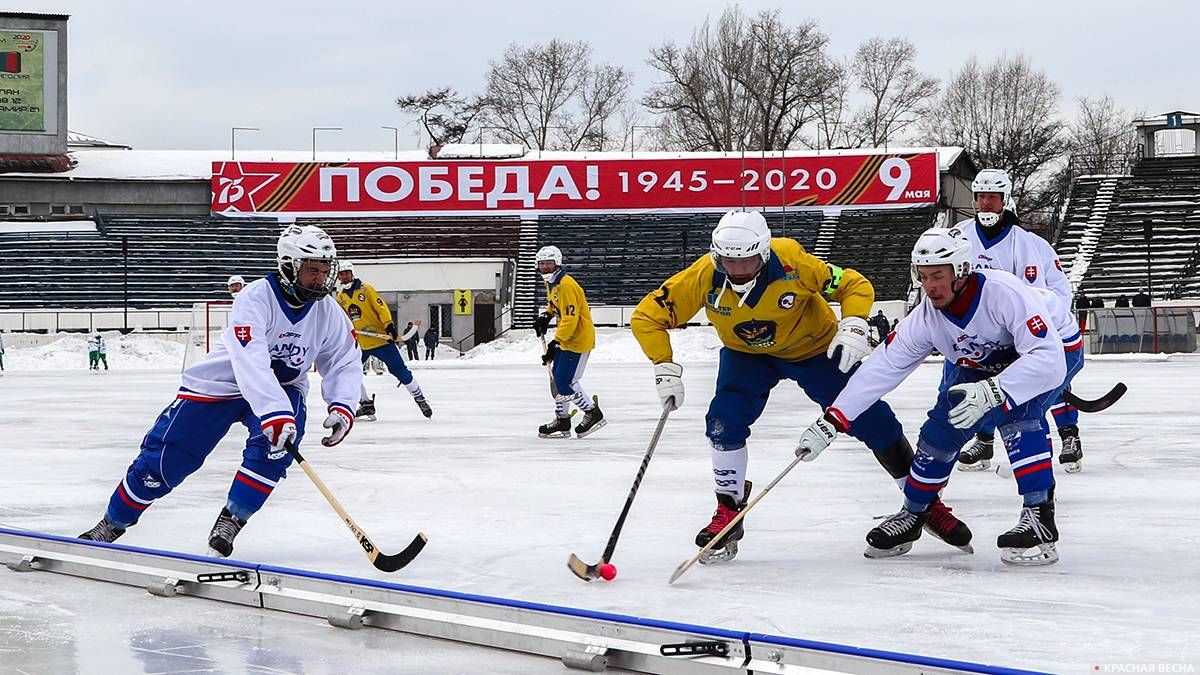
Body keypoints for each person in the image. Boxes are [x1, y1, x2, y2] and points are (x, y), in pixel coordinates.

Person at [630, 210, 970, 563]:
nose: (737, 270)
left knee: (871, 418)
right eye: (728, 261)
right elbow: (647, 316)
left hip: (814, 350)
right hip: (747, 356)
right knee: (723, 422)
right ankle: (728, 510)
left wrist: (853, 323)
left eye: (746, 260)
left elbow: (854, 284)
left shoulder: (791, 259)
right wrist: (663, 364)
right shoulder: (704, 274)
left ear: (763, 253)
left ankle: (925, 503)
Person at [796, 227, 1083, 566]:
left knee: (1018, 415)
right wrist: (833, 420)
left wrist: (994, 390)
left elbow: (1047, 361)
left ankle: (1039, 516)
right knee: (940, 430)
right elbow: (883, 367)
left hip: (1053, 349)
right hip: (985, 359)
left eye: (938, 276)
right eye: (923, 276)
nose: (930, 286)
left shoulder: (1003, 293)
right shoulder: (926, 318)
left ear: (961, 271)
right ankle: (915, 512)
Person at [78, 225, 362, 557]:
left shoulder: (329, 313)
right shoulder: (255, 297)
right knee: (168, 459)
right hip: (223, 383)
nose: (321, 278)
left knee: (274, 450)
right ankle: (111, 523)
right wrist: (275, 412)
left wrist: (342, 405)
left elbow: (343, 359)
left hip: (283, 388)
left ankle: (232, 520)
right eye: (312, 270)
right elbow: (250, 359)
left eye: (326, 270)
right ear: (288, 266)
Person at [953, 169, 1086, 473]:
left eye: (993, 197)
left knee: (1043, 385)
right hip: (977, 334)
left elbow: (1057, 291)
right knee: (966, 386)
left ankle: (1069, 437)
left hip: (1024, 331)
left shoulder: (1030, 245)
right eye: (981, 197)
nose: (986, 203)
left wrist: (1047, 331)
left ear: (1005, 199)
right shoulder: (959, 237)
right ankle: (984, 440)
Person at [335, 262, 431, 419]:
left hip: (381, 341)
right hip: (361, 344)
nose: (344, 276)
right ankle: (366, 404)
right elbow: (342, 319)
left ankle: (419, 398)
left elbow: (381, 308)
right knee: (349, 373)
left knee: (400, 371)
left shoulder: (366, 289)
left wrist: (389, 326)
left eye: (346, 273)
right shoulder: (341, 297)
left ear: (352, 273)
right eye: (341, 274)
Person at [532, 245, 606, 439]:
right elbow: (554, 304)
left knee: (567, 381)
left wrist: (555, 343)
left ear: (557, 263)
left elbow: (570, 318)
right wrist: (545, 316)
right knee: (558, 378)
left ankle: (592, 413)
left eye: (549, 264)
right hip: (567, 339)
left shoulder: (566, 284)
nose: (545, 267)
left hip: (578, 340)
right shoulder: (553, 283)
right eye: (542, 264)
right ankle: (562, 420)